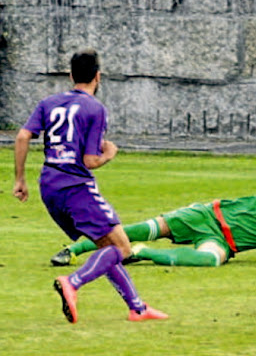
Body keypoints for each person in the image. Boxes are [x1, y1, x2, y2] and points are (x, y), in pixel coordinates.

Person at [50, 129, 256, 268]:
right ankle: (73, 248)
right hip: (207, 215)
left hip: (225, 242)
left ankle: (140, 254)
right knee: (139, 228)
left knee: (211, 260)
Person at [13, 48, 168, 324]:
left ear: (71, 75)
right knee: (122, 248)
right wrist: (111, 153)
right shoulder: (95, 108)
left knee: (106, 246)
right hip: (76, 187)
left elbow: (24, 136)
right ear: (98, 77)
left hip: (49, 185)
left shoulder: (48, 103)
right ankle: (73, 282)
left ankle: (138, 308)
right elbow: (91, 160)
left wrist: (20, 180)